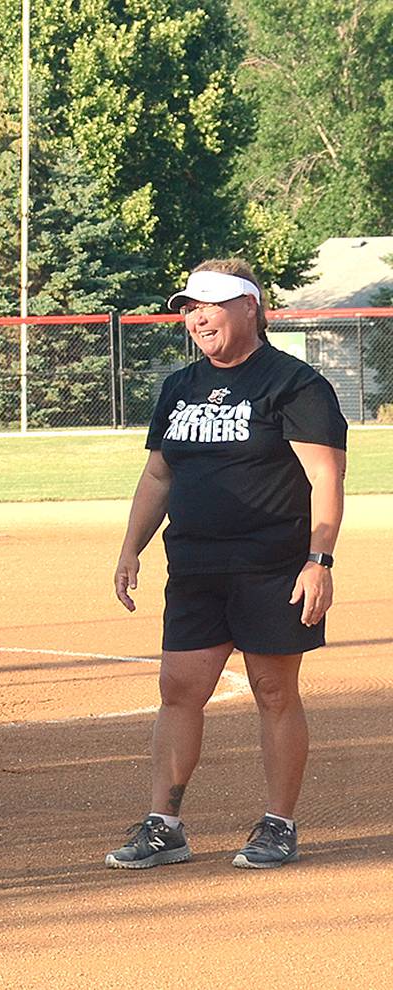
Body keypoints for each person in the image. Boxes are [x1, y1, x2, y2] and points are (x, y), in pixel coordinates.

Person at [108, 259, 347, 871]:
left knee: (273, 690)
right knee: (179, 690)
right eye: (188, 307)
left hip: (273, 565)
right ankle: (164, 825)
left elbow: (325, 476)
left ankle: (278, 824)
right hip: (194, 564)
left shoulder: (294, 385)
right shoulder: (179, 386)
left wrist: (319, 560)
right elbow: (159, 473)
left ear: (250, 307)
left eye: (210, 304)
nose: (196, 317)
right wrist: (131, 546)